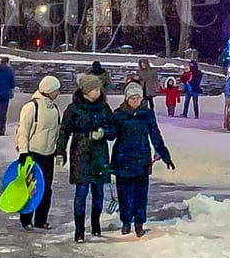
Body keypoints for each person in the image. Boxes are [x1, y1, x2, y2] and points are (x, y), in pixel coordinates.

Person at [108, 82, 175, 237]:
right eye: (132, 98)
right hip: (123, 158)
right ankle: (125, 222)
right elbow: (111, 134)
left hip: (141, 158)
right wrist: (102, 129)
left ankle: (139, 223)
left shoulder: (147, 114)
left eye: (138, 97)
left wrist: (164, 154)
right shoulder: (119, 114)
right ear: (127, 99)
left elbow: (155, 135)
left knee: (140, 194)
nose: (135, 100)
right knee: (124, 194)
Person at [56, 74, 112, 242]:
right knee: (81, 192)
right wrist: (60, 151)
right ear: (85, 91)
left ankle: (96, 224)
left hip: (100, 153)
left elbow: (114, 127)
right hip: (80, 153)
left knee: (99, 193)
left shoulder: (104, 108)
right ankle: (79, 230)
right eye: (93, 89)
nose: (97, 92)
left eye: (98, 89)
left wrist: (104, 132)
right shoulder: (73, 109)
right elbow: (64, 131)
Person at [15, 75, 62, 231]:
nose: (59, 93)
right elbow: (23, 131)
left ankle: (41, 220)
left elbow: (57, 132)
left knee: (46, 189)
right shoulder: (31, 107)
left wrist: (58, 150)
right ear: (49, 90)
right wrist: (23, 152)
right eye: (56, 89)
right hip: (33, 154)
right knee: (31, 188)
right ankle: (26, 219)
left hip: (48, 153)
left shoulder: (55, 109)